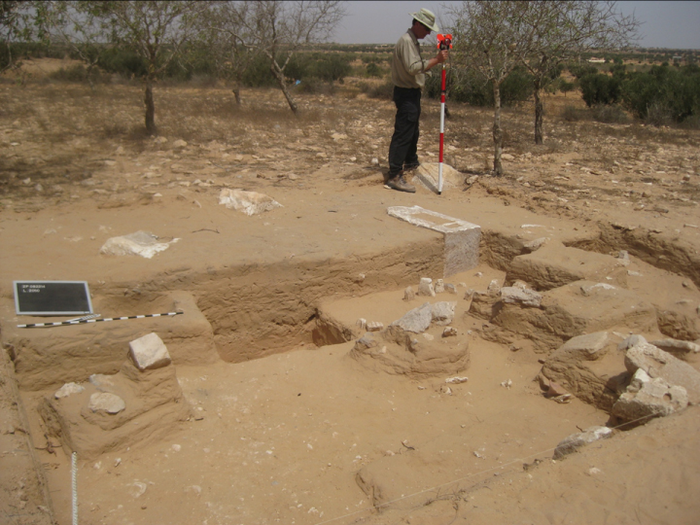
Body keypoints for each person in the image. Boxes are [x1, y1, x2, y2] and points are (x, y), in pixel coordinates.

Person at [385, 8, 449, 193]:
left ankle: (411, 162)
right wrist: (436, 60)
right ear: (418, 24)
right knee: (404, 132)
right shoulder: (406, 41)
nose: (429, 33)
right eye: (427, 28)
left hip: (412, 93)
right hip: (405, 93)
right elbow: (413, 68)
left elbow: (413, 68)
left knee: (413, 131)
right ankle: (395, 175)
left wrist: (428, 67)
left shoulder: (412, 42)